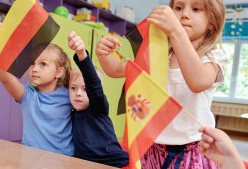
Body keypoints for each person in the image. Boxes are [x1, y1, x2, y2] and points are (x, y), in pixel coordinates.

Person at [96, 0, 227, 168]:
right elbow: (118, 70)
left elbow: (198, 81)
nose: (184, 14)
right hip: (154, 144)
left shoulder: (213, 57)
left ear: (212, 22)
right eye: (178, 8)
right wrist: (104, 55)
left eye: (196, 9)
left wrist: (176, 31)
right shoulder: (159, 54)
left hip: (192, 147)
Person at [0, 15, 74, 156]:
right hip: (30, 160)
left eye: (42, 64)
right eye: (32, 63)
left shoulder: (70, 95)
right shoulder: (28, 95)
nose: (34, 69)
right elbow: (6, 79)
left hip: (64, 161)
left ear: (59, 72)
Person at [67, 31, 129, 167]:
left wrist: (81, 54)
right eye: (73, 88)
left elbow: (94, 86)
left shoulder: (98, 110)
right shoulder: (71, 113)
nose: (78, 93)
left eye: (85, 89)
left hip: (117, 164)